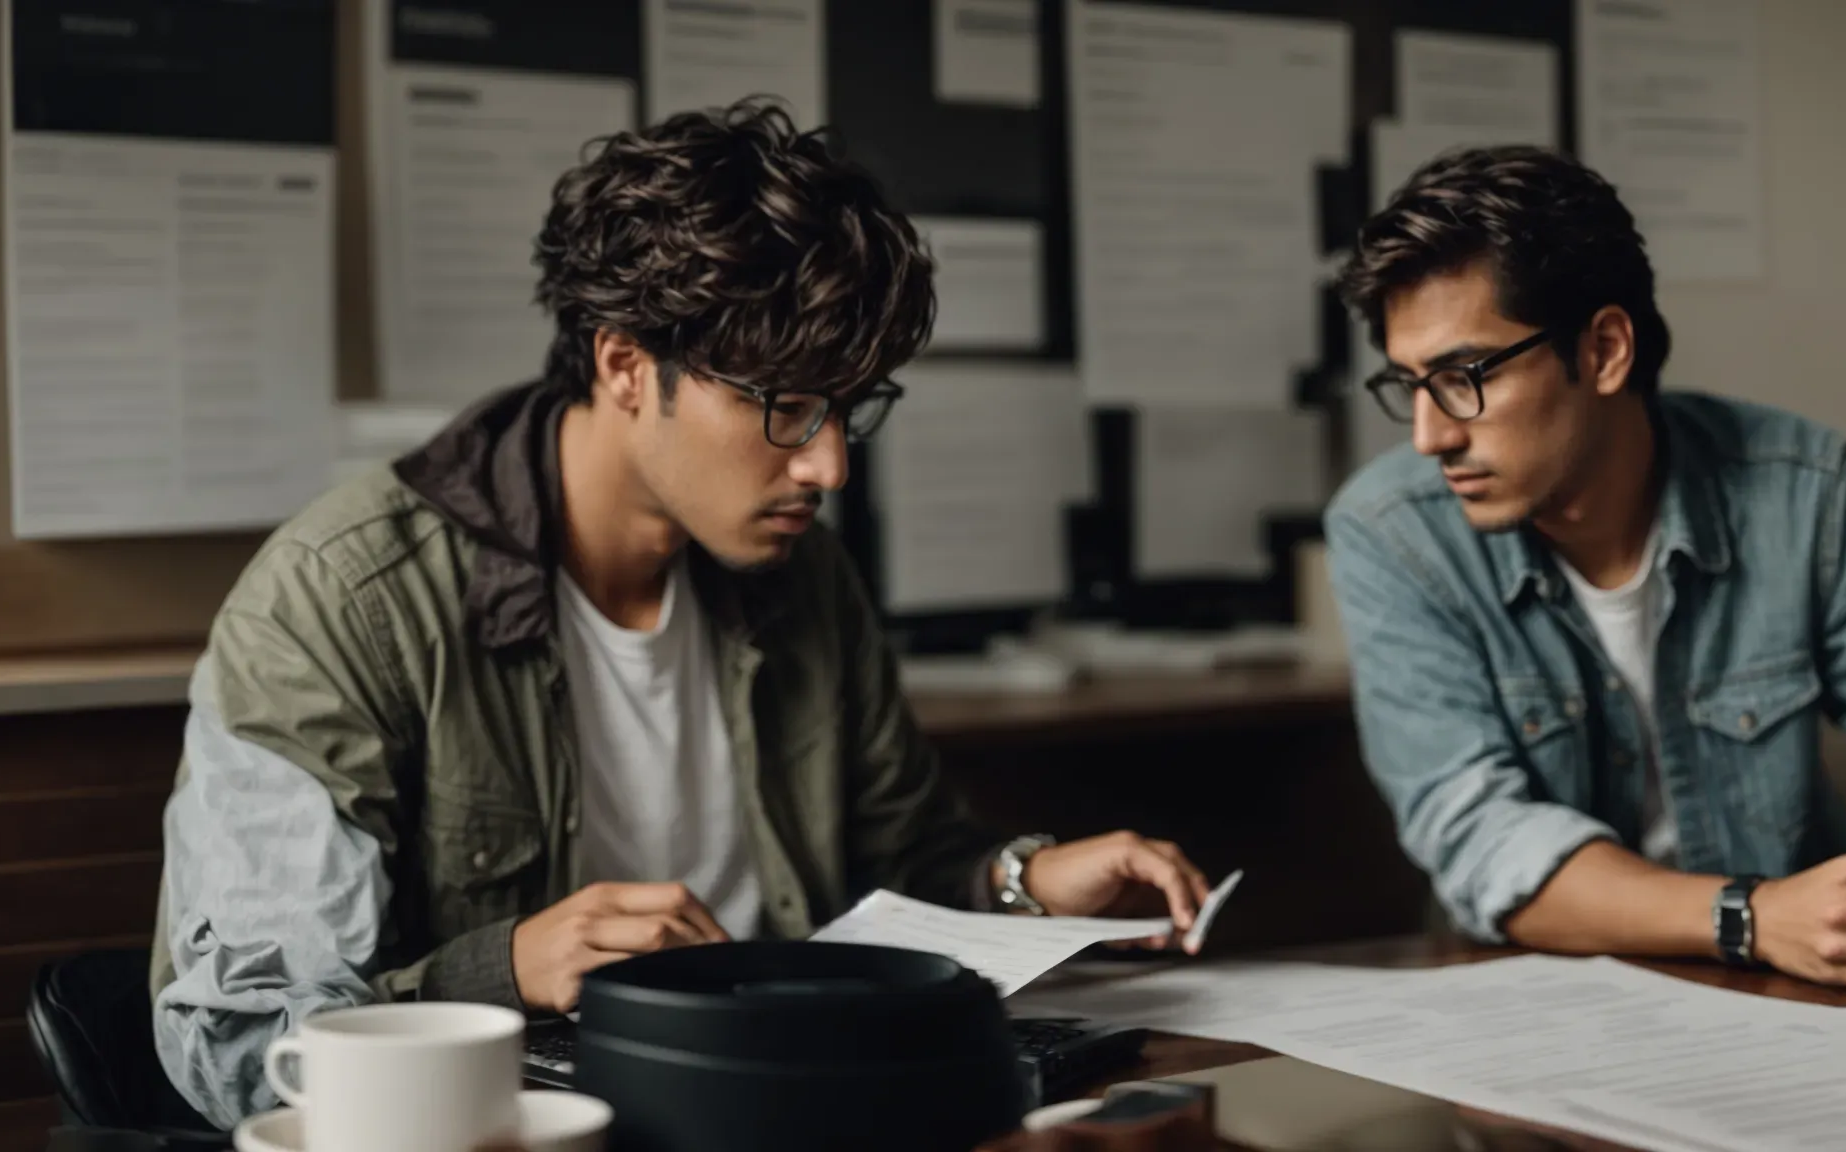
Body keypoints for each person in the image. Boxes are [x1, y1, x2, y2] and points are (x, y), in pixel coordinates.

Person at [151, 100, 1212, 1128]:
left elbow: (903, 866)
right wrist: (504, 970)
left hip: (807, 1102)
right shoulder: (345, 601)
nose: (828, 464)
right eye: (784, 405)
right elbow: (241, 1042)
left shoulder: (803, 579)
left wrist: (1021, 878)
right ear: (623, 364)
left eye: (848, 407)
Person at [1324, 145, 1846, 992]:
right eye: (1409, 384)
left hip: (1799, 995)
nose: (1430, 436)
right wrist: (1752, 915)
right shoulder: (1390, 533)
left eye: (1462, 377)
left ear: (1605, 349)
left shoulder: (1803, 489)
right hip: (1534, 1011)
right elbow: (1478, 837)